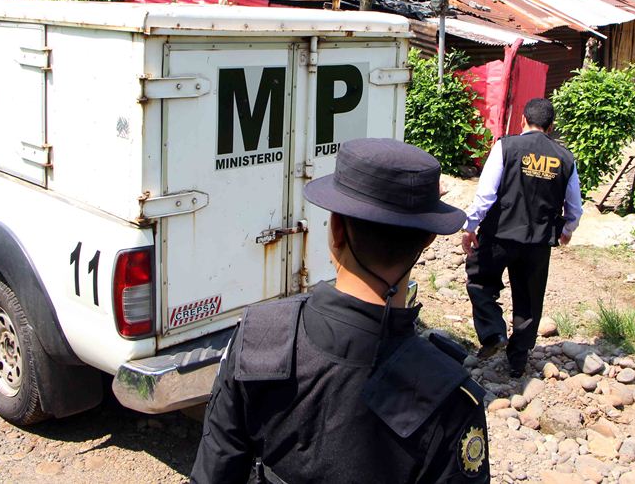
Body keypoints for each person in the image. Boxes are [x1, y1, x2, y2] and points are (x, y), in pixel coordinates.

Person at [191, 138, 490, 484]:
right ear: (428, 240)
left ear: (334, 230)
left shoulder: (259, 335)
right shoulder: (450, 398)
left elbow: (213, 473)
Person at [461, 98, 583, 378]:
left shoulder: (506, 146)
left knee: (479, 281)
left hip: (499, 235)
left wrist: (470, 227)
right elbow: (574, 206)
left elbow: (487, 194)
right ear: (551, 127)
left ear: (522, 121)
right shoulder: (565, 158)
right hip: (539, 243)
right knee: (528, 302)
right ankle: (517, 362)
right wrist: (567, 231)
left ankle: (493, 334)